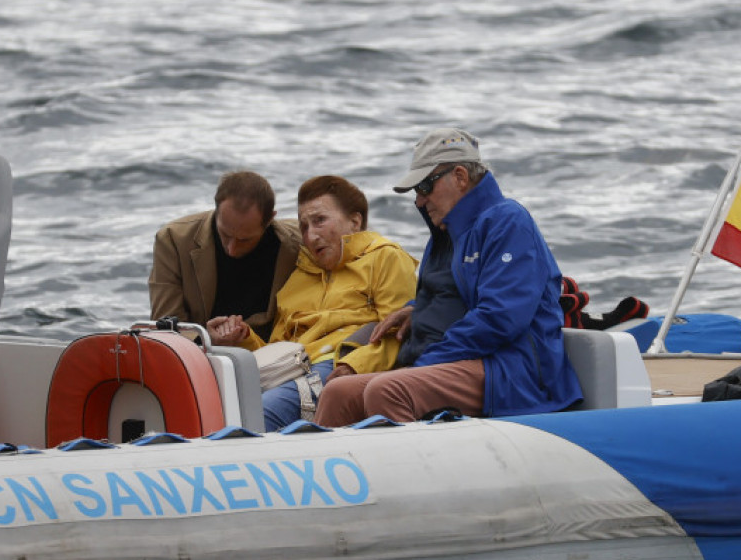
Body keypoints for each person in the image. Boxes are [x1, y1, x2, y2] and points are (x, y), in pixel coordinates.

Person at [314, 128, 583, 426]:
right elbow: (455, 291)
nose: (419, 200)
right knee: (338, 392)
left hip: (511, 371)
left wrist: (424, 364)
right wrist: (417, 309)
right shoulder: (444, 233)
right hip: (465, 362)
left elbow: (501, 318)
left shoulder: (508, 222)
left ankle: (414, 469)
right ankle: (334, 467)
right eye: (416, 191)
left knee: (389, 390)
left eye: (425, 186)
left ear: (460, 177)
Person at [208, 175, 418, 431]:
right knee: (214, 410)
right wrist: (242, 338)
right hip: (292, 371)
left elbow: (397, 334)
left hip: (338, 365)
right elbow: (278, 350)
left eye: (319, 220)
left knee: (256, 415)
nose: (310, 235)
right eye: (304, 226)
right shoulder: (298, 277)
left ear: (355, 221)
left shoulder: (386, 258)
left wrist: (352, 366)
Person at [148, 171, 301, 341]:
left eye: (245, 240)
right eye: (225, 234)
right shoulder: (173, 240)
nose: (232, 249)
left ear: (270, 220)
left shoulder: (300, 243)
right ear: (216, 209)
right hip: (197, 353)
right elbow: (165, 326)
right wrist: (207, 340)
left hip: (270, 351)